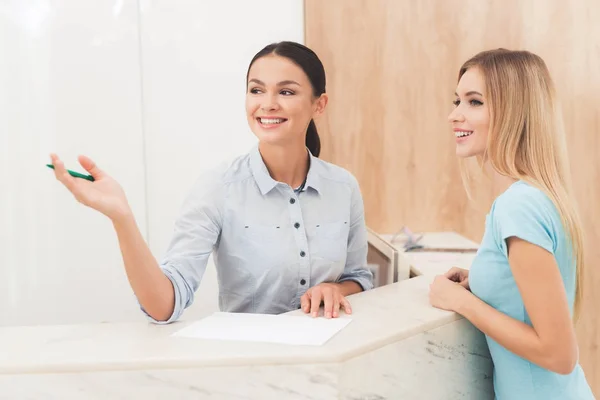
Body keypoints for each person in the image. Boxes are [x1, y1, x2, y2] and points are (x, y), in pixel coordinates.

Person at [50, 41, 373, 323]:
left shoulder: (343, 187)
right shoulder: (219, 188)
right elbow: (165, 306)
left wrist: (335, 288)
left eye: (286, 91)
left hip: (330, 363)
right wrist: (122, 217)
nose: (268, 103)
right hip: (255, 372)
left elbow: (358, 278)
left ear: (319, 104)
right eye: (256, 90)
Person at [428, 49, 594, 399]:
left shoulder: (517, 206)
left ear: (513, 111)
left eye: (474, 102)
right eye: (457, 100)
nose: (453, 115)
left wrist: (461, 302)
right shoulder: (537, 196)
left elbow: (559, 355)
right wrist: (487, 282)